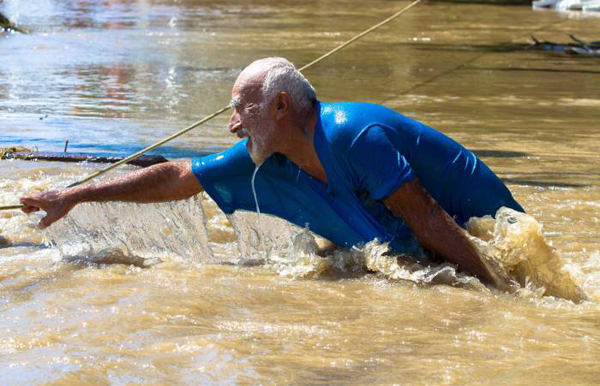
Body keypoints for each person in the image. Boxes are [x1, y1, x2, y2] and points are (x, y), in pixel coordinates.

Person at [20, 57, 524, 290]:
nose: (233, 124)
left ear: (281, 105)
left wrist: (500, 294)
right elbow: (177, 176)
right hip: (434, 245)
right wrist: (77, 195)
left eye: (242, 108)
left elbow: (431, 219)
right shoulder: (270, 155)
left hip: (489, 236)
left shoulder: (352, 134)